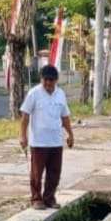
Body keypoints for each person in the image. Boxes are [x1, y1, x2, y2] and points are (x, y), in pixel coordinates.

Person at [19, 64, 74, 210]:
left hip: (56, 141)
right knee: (37, 173)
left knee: (54, 173)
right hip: (39, 142)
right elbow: (25, 116)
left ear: (56, 80)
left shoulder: (60, 94)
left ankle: (49, 198)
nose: (48, 83)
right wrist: (23, 136)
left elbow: (65, 117)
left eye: (51, 80)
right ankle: (36, 198)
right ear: (41, 79)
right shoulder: (34, 93)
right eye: (46, 80)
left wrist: (70, 134)